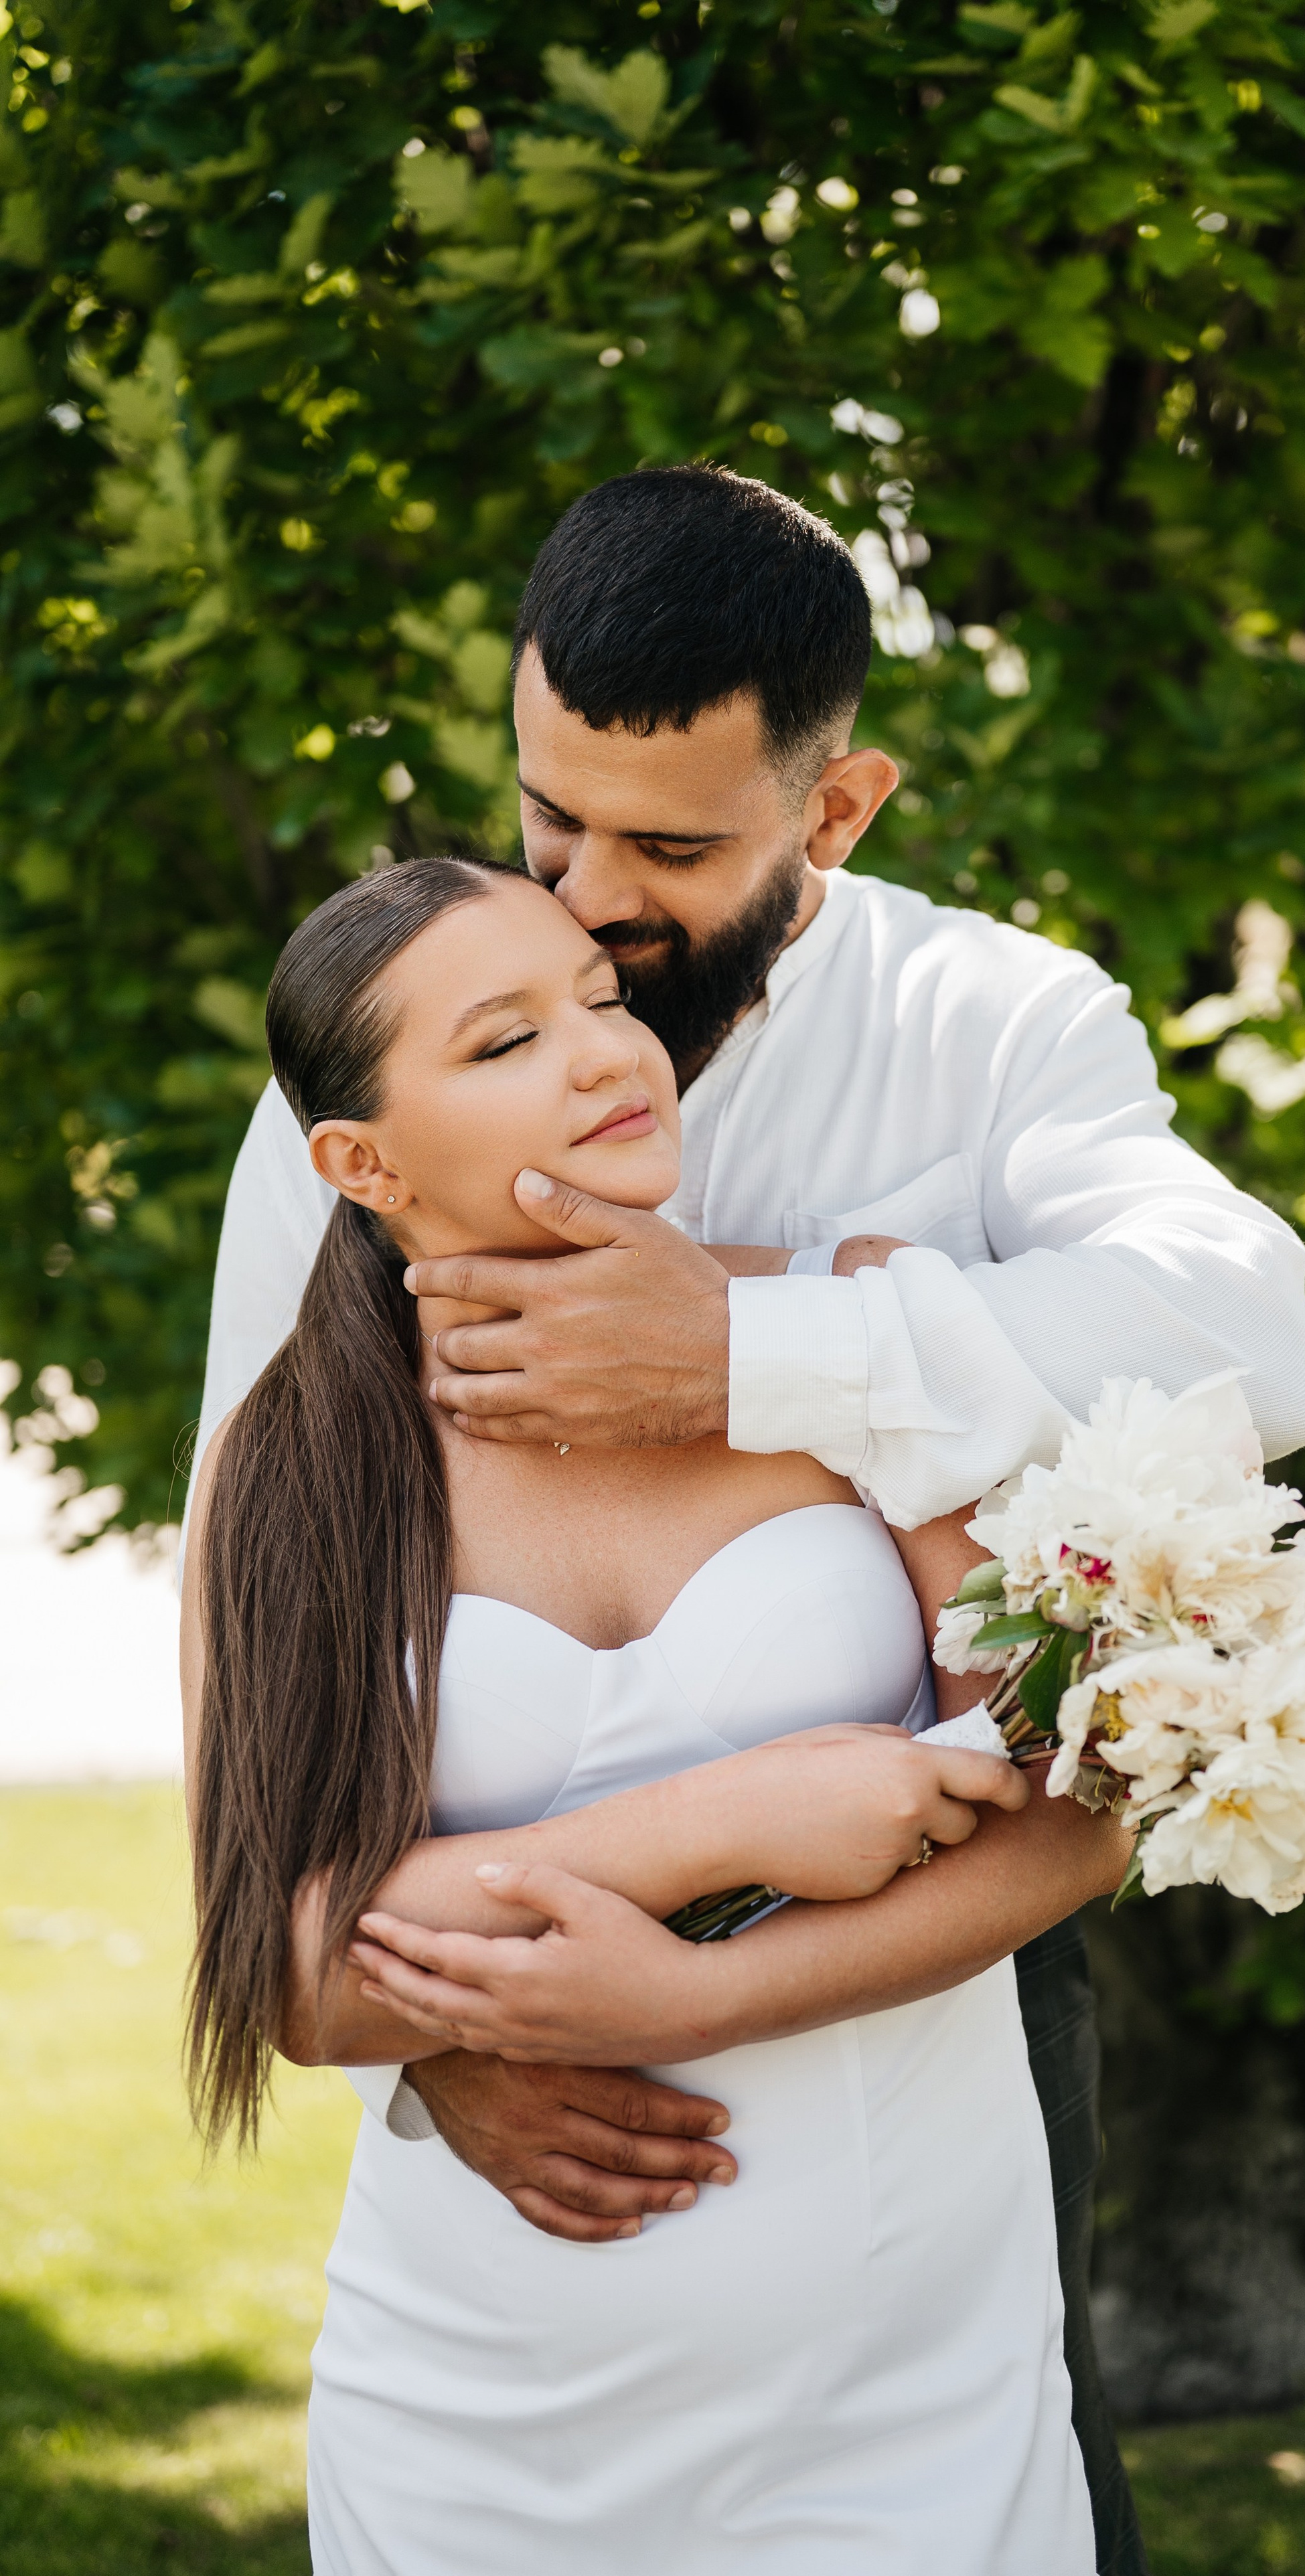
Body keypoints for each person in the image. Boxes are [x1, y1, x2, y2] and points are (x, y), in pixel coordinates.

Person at [194, 465, 1305, 2574]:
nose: (593, 907)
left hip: (927, 2064)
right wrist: (454, 2039)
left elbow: (1244, 1335)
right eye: (552, 820)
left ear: (841, 807)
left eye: (673, 853)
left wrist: (754, 1354)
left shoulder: (993, 1028)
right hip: (487, 2176)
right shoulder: (354, 1117)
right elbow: (265, 1724)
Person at [184, 855, 1130, 2572]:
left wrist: (696, 1991)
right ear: (361, 1165)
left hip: (906, 2395)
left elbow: (1071, 1818)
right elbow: (291, 1968)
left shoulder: (848, 1325)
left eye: (602, 998)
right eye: (506, 1040)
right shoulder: (294, 1461)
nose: (605, 1053)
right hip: (479, 2427)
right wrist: (716, 1824)